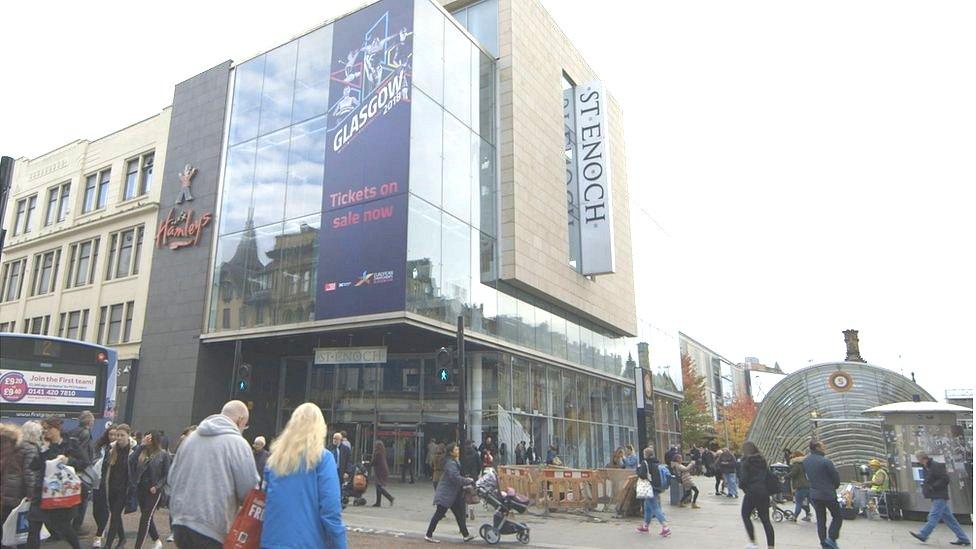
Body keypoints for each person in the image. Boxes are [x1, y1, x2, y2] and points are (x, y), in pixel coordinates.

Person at [168, 400, 259, 548]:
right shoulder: (238, 444)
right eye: (245, 425)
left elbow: (172, 477)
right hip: (212, 527)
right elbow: (249, 492)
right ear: (240, 420)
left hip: (180, 522)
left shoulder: (190, 439)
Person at [260, 403, 347, 548]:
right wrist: (340, 544)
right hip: (307, 543)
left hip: (272, 541)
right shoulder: (323, 459)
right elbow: (331, 510)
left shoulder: (274, 460)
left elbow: (265, 501)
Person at [28, 416, 88, 549]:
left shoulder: (71, 443)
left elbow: (84, 462)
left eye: (47, 428)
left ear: (56, 428)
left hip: (63, 492)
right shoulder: (44, 444)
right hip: (43, 491)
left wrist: (68, 460)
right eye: (43, 429)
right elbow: (34, 466)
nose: (45, 432)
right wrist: (43, 450)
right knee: (33, 526)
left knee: (64, 527)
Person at [910, 451, 972, 546]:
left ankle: (923, 534)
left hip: (940, 495)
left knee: (933, 516)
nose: (917, 460)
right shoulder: (926, 467)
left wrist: (933, 487)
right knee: (950, 519)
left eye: (918, 458)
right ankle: (963, 538)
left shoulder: (935, 465)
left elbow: (945, 479)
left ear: (922, 458)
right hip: (935, 495)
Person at [425, 443, 475, 543]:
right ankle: (428, 534)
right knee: (439, 514)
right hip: (446, 494)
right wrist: (467, 480)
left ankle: (466, 535)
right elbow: (455, 478)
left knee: (458, 514)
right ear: (451, 452)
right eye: (456, 450)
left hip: (451, 494)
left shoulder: (452, 461)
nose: (458, 451)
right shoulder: (451, 463)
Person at [803, 440, 842, 549]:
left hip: (815, 494)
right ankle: (831, 538)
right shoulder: (826, 461)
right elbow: (835, 477)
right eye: (823, 446)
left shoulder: (806, 461)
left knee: (821, 519)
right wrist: (835, 486)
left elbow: (807, 476)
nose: (825, 447)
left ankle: (824, 543)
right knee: (837, 516)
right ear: (817, 448)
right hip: (828, 493)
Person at [738, 441, 775, 549]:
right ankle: (771, 546)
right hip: (763, 492)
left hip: (751, 492)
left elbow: (743, 479)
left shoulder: (746, 461)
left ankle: (753, 542)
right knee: (766, 520)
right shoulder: (762, 461)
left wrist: (742, 486)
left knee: (745, 515)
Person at [102, 424, 132, 549]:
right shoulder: (111, 449)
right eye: (117, 435)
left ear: (128, 436)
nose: (118, 438)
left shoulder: (132, 451)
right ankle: (122, 538)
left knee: (114, 515)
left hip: (124, 489)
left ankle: (108, 545)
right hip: (112, 487)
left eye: (121, 435)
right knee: (116, 515)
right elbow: (106, 469)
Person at [1, 423, 34, 537]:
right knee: (14, 529)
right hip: (15, 493)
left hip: (8, 492)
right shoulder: (24, 447)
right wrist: (31, 495)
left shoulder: (8, 448)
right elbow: (29, 473)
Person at [67, 410, 96, 533]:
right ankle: (77, 527)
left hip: (71, 469)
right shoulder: (85, 433)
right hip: (82, 470)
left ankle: (68, 524)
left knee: (71, 499)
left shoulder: (72, 432)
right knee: (83, 499)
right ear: (89, 422)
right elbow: (84, 453)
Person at [90, 425, 117, 547]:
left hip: (109, 481)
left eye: (115, 435)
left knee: (105, 508)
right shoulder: (101, 446)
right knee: (96, 510)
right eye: (110, 434)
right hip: (97, 479)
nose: (112, 437)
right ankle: (101, 527)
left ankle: (99, 535)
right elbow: (94, 458)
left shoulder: (118, 449)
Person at [635, 447, 671, 537]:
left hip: (649, 487)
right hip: (657, 487)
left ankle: (665, 527)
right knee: (647, 507)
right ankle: (645, 526)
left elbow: (642, 475)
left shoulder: (645, 463)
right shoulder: (657, 462)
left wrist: (638, 470)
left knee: (655, 507)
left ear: (645, 454)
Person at [787, 451, 811, 522]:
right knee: (808, 502)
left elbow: (793, 473)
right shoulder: (806, 464)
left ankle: (795, 516)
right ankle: (809, 515)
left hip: (800, 486)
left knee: (798, 502)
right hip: (808, 485)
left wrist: (785, 476)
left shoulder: (797, 464)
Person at [371, 440, 395, 507]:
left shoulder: (378, 453)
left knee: (379, 487)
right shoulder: (382, 452)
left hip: (380, 472)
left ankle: (390, 498)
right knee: (378, 487)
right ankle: (378, 502)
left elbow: (373, 462)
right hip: (383, 471)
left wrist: (368, 463)